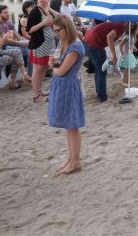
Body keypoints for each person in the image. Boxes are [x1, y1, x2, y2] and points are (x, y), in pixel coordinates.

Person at [47, 15, 85, 175]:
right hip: (65, 85)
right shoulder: (67, 43)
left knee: (72, 125)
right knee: (69, 126)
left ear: (66, 28)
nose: (56, 34)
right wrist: (54, 64)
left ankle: (75, 161)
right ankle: (71, 159)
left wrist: (52, 67)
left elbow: (62, 71)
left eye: (58, 31)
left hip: (68, 85)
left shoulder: (75, 46)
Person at [26, 0, 60, 102]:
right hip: (39, 44)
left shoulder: (47, 10)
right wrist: (43, 23)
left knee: (44, 68)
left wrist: (49, 7)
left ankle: (39, 91)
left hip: (48, 45)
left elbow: (59, 17)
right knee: (37, 69)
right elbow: (30, 30)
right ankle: (36, 95)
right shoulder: (35, 11)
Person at [82, 21, 126, 102]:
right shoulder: (122, 26)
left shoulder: (117, 23)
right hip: (94, 45)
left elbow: (109, 34)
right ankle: (102, 97)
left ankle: (99, 93)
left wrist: (117, 39)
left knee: (98, 69)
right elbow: (109, 37)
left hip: (86, 41)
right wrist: (114, 55)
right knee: (102, 70)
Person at [118, 22, 138, 88]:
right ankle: (124, 81)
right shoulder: (128, 36)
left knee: (128, 69)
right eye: (137, 28)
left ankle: (126, 80)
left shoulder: (132, 36)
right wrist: (122, 54)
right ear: (134, 29)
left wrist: (134, 47)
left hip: (129, 54)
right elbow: (120, 45)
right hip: (126, 55)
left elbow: (130, 44)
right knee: (127, 69)